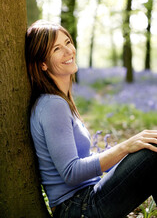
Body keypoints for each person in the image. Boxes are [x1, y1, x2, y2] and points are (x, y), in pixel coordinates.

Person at [25, 20, 157, 218]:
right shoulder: (52, 105)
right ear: (42, 64)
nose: (68, 51)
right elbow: (71, 172)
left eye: (68, 42)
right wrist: (126, 147)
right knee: (152, 153)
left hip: (84, 202)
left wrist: (131, 159)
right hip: (78, 208)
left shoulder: (61, 101)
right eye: (57, 49)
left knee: (149, 147)